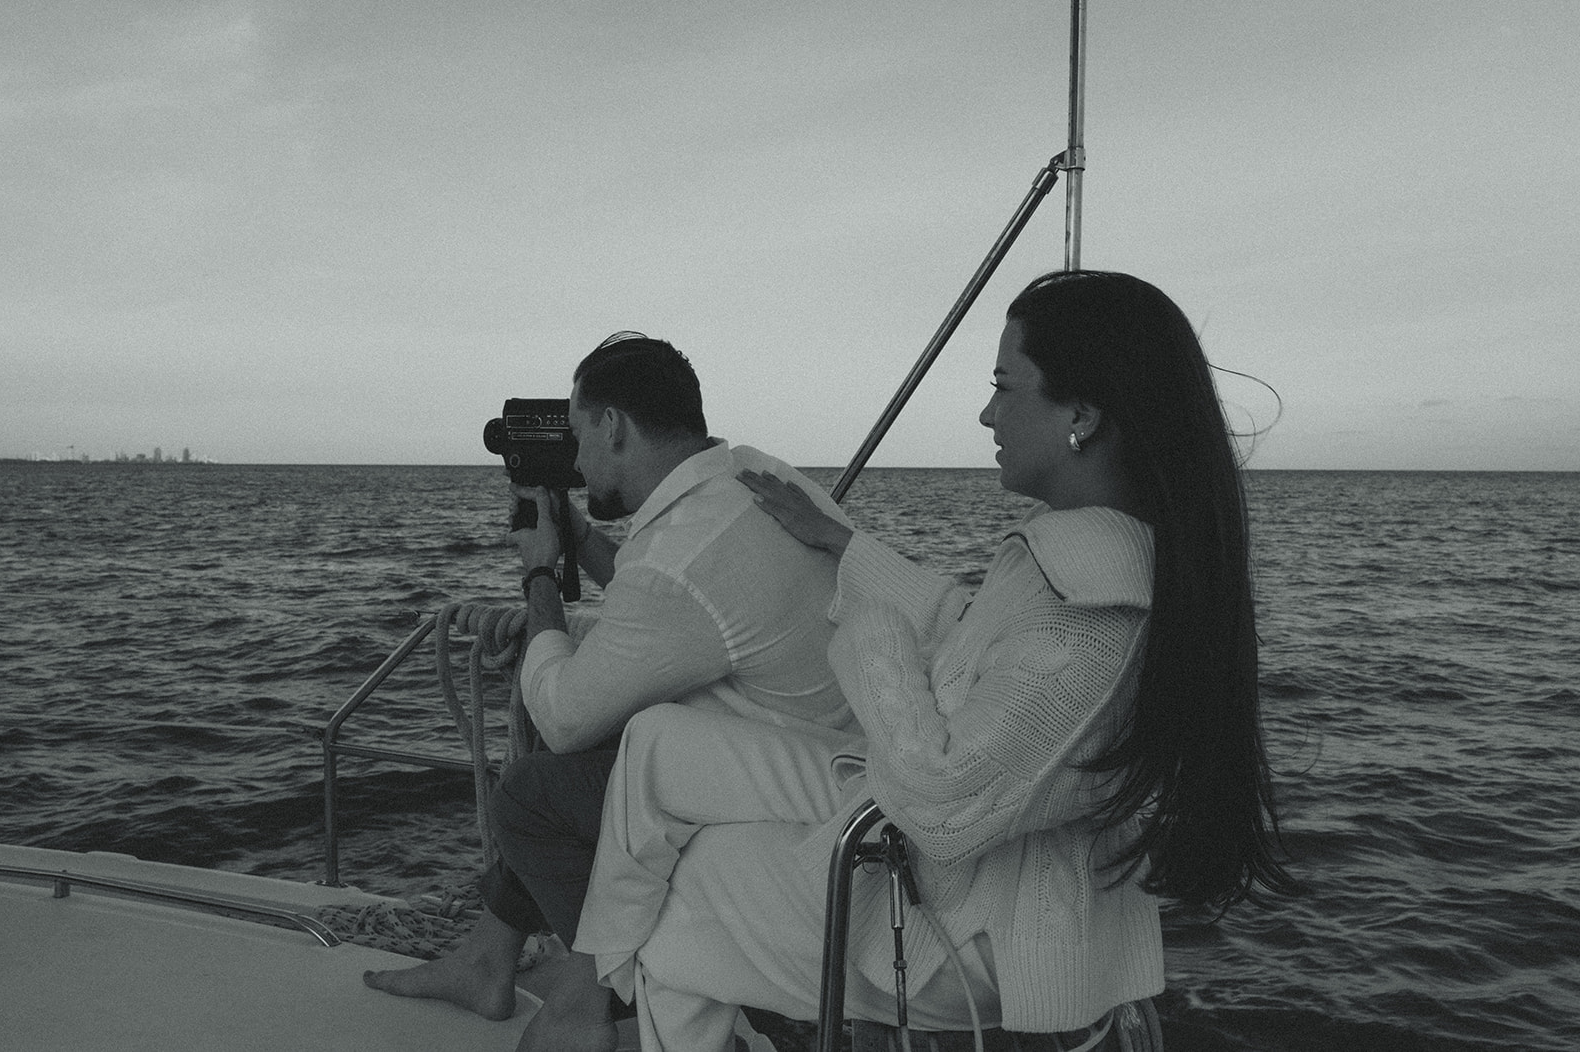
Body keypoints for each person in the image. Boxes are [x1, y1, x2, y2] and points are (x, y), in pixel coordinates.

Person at [534, 271, 1300, 1052]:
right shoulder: (1076, 554)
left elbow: (943, 802)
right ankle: (600, 975)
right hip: (923, 828)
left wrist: (867, 622)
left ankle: (598, 983)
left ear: (1082, 415)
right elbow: (968, 631)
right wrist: (841, 545)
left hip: (966, 930)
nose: (987, 411)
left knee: (673, 911)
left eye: (1006, 387)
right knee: (657, 739)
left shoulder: (1095, 609)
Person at [362, 332, 859, 1031]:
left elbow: (565, 710)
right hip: (826, 756)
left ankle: (618, 997)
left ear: (613, 425)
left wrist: (540, 574)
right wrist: (574, 532)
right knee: (599, 730)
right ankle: (488, 958)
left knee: (532, 797)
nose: (574, 458)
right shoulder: (749, 478)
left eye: (575, 435)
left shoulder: (679, 559)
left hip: (788, 799)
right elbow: (669, 594)